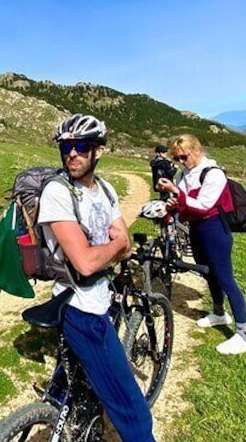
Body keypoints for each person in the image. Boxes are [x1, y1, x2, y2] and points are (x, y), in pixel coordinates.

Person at [38, 113, 156, 442]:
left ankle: (68, 408)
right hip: (81, 309)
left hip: (98, 297)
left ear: (99, 150)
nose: (71, 153)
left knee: (85, 379)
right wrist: (114, 246)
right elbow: (88, 262)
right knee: (133, 410)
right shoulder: (57, 193)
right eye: (65, 147)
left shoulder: (104, 189)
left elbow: (125, 242)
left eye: (80, 146)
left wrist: (115, 246)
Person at [158, 134, 246, 355]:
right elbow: (183, 202)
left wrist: (175, 193)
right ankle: (219, 313)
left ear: (196, 150)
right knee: (208, 273)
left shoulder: (213, 174)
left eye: (184, 156)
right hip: (197, 229)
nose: (181, 161)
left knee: (226, 279)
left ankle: (243, 334)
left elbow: (203, 205)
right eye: (177, 158)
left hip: (214, 229)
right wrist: (169, 205)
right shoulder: (185, 173)